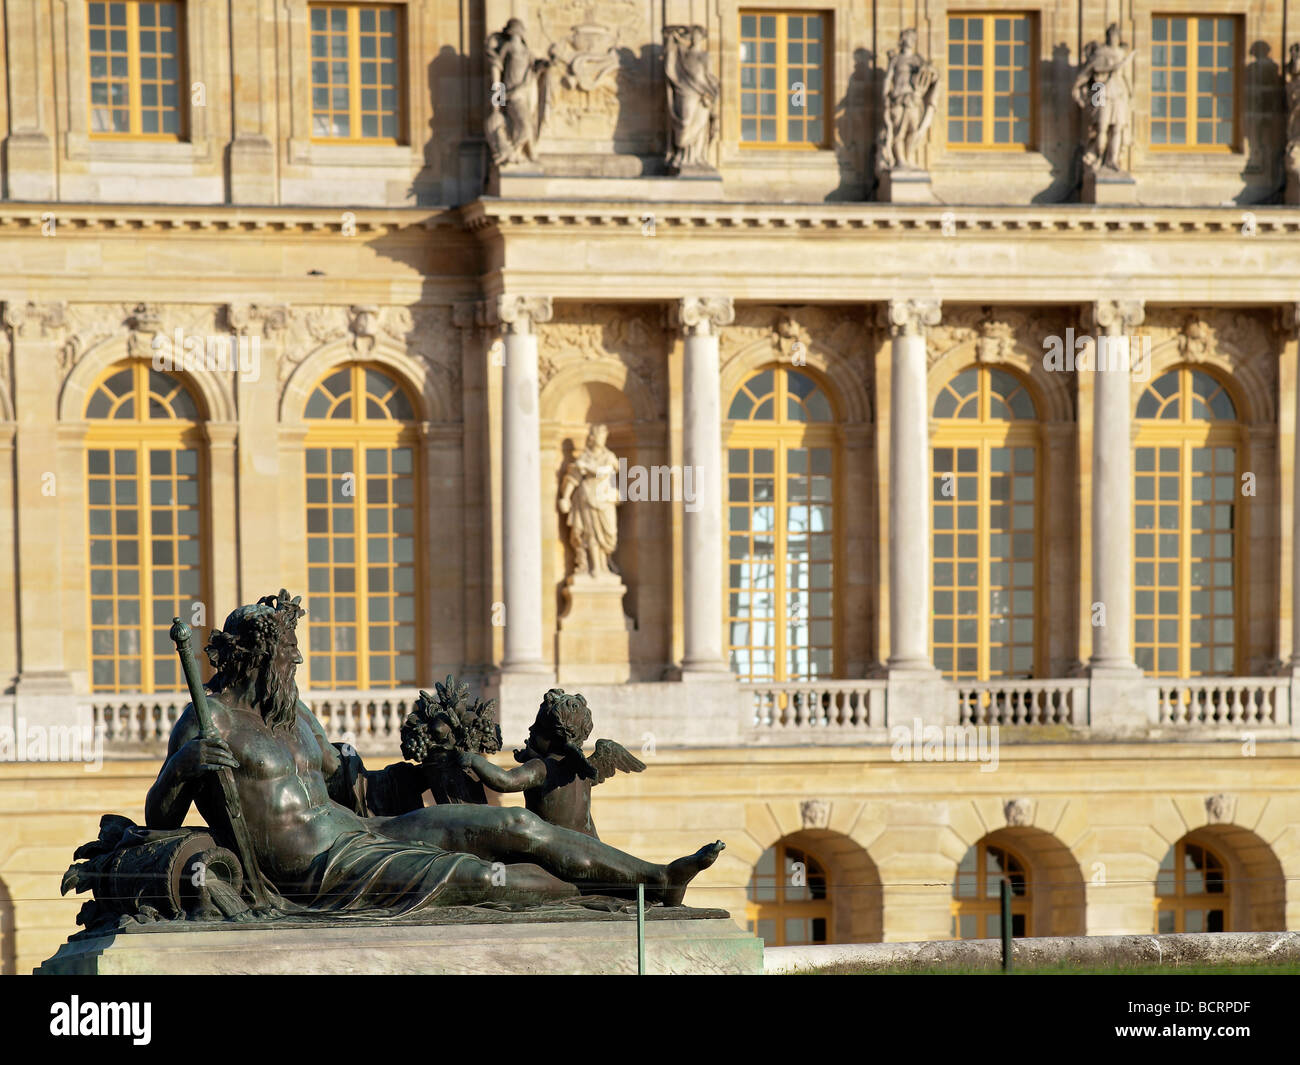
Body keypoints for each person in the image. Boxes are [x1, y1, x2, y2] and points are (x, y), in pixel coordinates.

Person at [145, 591, 723, 914]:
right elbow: (160, 820)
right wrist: (180, 769)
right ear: (253, 657)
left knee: (514, 822)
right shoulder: (209, 719)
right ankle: (605, 890)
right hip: (322, 872)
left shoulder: (293, 714)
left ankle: (657, 877)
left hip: (363, 832)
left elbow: (351, 781)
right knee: (478, 875)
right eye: (287, 656)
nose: (295, 665)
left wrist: (434, 765)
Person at [458, 688, 644, 839]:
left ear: (555, 736)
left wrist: (473, 759)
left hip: (557, 852)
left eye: (538, 728)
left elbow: (505, 781)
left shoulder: (543, 768)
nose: (531, 729)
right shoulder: (581, 771)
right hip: (590, 845)